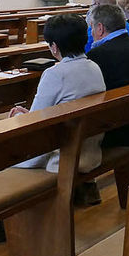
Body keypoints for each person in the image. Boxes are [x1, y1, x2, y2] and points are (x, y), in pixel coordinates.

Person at [12, 14, 106, 173]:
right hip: (90, 151)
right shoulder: (94, 67)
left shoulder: (55, 74)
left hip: (63, 155)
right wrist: (30, 114)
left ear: (54, 47)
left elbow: (35, 124)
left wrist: (19, 118)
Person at [87, 4, 129, 150]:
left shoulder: (98, 55)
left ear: (100, 28)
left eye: (92, 28)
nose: (91, 33)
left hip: (114, 130)